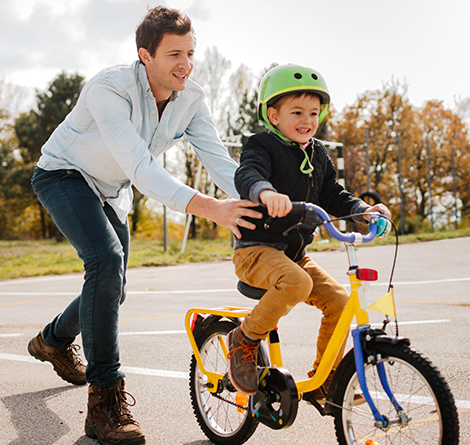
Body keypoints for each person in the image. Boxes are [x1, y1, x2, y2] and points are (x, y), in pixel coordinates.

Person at [27, 6, 261, 445]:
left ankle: (52, 341)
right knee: (106, 260)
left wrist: (259, 196)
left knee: (113, 287)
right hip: (63, 175)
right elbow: (138, 165)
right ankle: (104, 402)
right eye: (174, 54)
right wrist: (212, 209)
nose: (185, 64)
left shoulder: (190, 98)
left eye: (191, 53)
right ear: (144, 56)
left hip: (111, 190)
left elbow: (220, 161)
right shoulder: (109, 88)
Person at [227, 64, 391, 397]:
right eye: (297, 112)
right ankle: (244, 338)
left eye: (314, 113)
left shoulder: (319, 155)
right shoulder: (260, 145)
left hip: (294, 254)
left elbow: (334, 194)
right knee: (298, 283)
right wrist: (265, 192)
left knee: (341, 302)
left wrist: (362, 210)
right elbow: (247, 174)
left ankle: (325, 378)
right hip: (255, 249)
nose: (307, 120)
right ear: (273, 116)